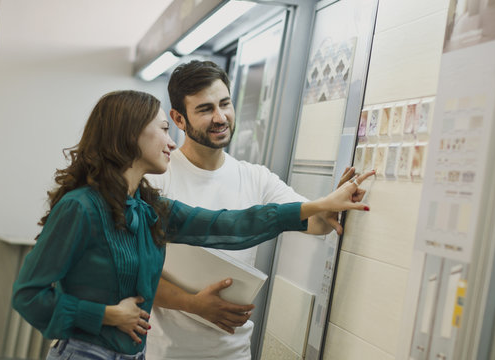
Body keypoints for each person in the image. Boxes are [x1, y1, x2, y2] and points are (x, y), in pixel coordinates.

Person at [11, 90, 371, 360]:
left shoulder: (148, 207)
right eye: (164, 129)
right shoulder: (81, 208)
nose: (171, 142)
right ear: (130, 134)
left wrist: (319, 205)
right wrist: (105, 315)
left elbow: (228, 224)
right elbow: (28, 295)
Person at [145, 60, 373, 359]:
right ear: (178, 118)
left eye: (225, 103)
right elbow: (137, 273)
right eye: (205, 109)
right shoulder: (157, 178)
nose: (220, 117)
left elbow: (316, 223)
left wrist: (334, 201)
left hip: (234, 352)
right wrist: (192, 303)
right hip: (167, 353)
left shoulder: (255, 177)